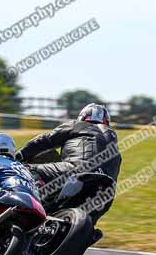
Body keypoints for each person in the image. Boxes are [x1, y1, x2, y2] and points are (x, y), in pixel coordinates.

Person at [15, 103, 121, 240]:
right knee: (89, 222)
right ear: (107, 122)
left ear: (83, 117)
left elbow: (45, 140)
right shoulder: (115, 146)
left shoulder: (76, 125)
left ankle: (34, 199)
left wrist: (19, 156)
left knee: (27, 169)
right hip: (106, 189)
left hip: (75, 171)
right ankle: (87, 233)